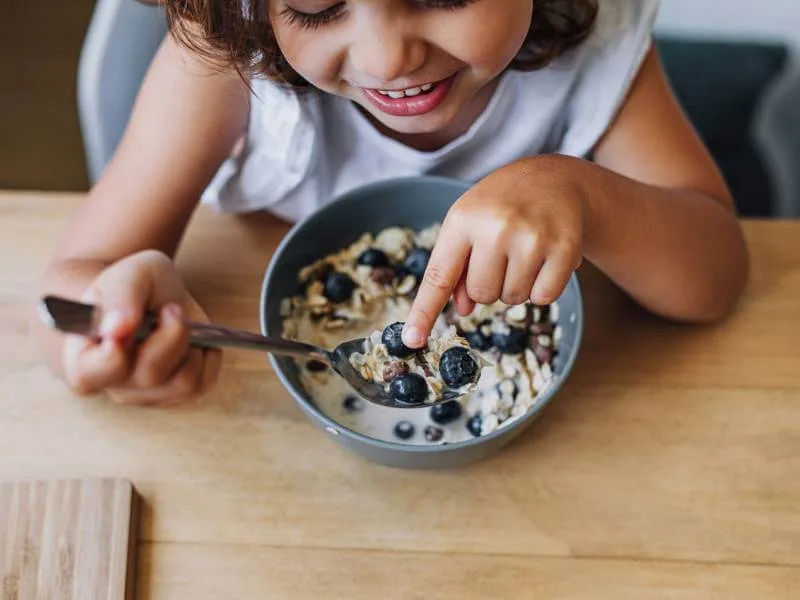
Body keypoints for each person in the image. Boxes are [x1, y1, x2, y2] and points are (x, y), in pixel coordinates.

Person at [31, 0, 749, 407]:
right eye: (315, 7)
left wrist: (588, 195)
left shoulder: (595, 49)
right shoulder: (222, 66)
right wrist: (106, 330)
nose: (385, 58)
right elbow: (68, 286)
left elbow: (716, 274)